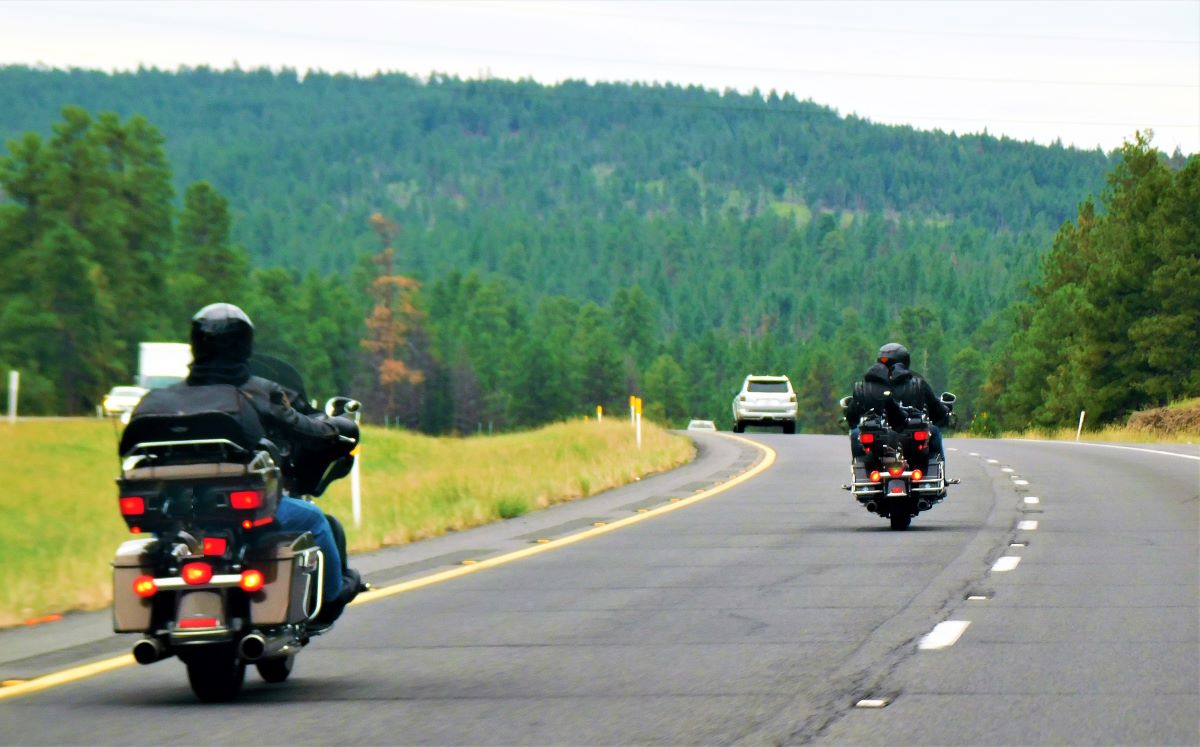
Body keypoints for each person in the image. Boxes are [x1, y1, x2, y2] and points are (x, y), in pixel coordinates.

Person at [187, 302, 365, 624]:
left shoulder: (172, 398)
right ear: (244, 344)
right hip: (244, 506)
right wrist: (337, 427)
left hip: (185, 512)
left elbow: (132, 443)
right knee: (315, 520)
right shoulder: (256, 391)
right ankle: (333, 596)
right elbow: (303, 427)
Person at [845, 343, 950, 466]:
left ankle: (862, 470)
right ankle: (937, 472)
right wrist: (944, 416)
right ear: (905, 361)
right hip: (911, 442)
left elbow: (852, 417)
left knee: (856, 433)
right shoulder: (918, 384)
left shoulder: (863, 386)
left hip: (876, 443)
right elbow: (936, 411)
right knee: (935, 431)